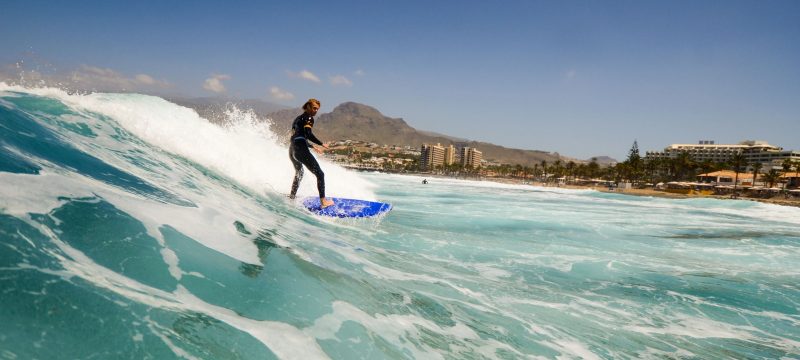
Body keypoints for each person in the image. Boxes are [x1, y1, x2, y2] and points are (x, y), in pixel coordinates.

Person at [288, 98, 334, 208]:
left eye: (317, 109)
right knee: (320, 174)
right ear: (308, 106)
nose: (315, 111)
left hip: (292, 150)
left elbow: (298, 137)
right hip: (301, 149)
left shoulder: (297, 119)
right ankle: (323, 202)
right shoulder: (309, 117)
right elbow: (308, 134)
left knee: (299, 172)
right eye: (314, 108)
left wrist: (312, 146)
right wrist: (321, 144)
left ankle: (292, 197)